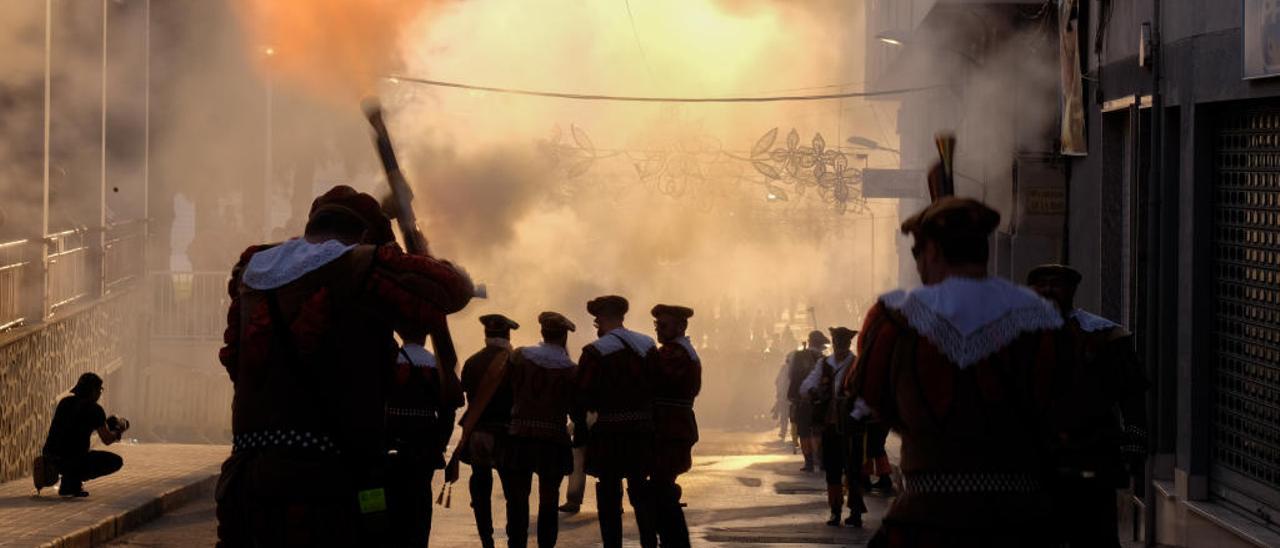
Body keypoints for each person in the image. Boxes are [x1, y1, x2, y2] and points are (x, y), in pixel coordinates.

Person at [215, 185, 474, 547]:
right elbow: (451, 289)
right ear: (366, 237)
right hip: (332, 484)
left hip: (247, 482)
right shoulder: (360, 264)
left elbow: (234, 360)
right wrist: (415, 243)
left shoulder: (254, 268)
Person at [846, 197, 1065, 547]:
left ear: (932, 252)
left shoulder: (895, 318)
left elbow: (869, 397)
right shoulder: (1040, 318)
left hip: (924, 522)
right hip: (1019, 522)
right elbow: (1060, 408)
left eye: (917, 254)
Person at [1027, 264, 1149, 548]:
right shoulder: (1012, 336)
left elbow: (1131, 393)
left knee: (1095, 533)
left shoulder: (1103, 335)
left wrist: (1135, 440)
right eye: (1041, 284)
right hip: (1034, 458)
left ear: (1071, 290)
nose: (1047, 290)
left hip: (1092, 454)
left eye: (1055, 283)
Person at [576, 295, 659, 548]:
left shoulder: (594, 352)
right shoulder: (647, 345)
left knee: (610, 496)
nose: (596, 325)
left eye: (597, 320)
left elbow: (583, 394)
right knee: (641, 492)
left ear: (603, 319)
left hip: (609, 433)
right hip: (643, 432)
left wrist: (580, 429)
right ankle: (649, 542)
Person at [503, 311, 580, 548]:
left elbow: (506, 392)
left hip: (520, 438)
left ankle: (516, 543)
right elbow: (576, 408)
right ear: (564, 337)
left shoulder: (519, 356)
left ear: (542, 332)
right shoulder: (571, 370)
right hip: (553, 441)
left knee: (517, 499)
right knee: (549, 500)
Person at [383, 341, 458, 546]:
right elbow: (449, 408)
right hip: (424, 452)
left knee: (389, 508)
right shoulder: (437, 366)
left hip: (388, 450)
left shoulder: (385, 363)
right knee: (420, 508)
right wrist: (439, 443)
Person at [460, 314, 520, 548]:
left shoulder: (472, 361)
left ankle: (486, 539)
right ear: (507, 334)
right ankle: (515, 539)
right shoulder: (515, 361)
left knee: (481, 489)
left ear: (486, 335)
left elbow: (467, 394)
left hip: (478, 434)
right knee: (513, 492)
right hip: (507, 434)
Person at [800, 327, 866, 527]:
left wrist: (854, 414)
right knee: (833, 470)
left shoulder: (857, 364)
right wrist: (813, 392)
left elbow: (864, 395)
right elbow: (806, 385)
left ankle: (855, 511)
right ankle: (835, 510)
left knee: (854, 469)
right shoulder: (824, 364)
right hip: (830, 426)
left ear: (848, 345)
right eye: (837, 344)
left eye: (842, 344)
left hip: (851, 426)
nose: (839, 348)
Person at [650, 304, 703, 548]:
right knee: (662, 487)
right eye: (657, 325)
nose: (658, 329)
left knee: (662, 489)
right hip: (671, 426)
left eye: (664, 325)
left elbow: (649, 376)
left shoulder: (676, 353)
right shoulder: (678, 351)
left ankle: (675, 542)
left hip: (672, 427)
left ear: (681, 327)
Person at [36, 372, 127, 497]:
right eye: (100, 390)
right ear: (94, 391)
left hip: (51, 457)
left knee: (73, 456)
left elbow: (75, 426)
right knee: (116, 461)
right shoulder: (95, 410)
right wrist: (118, 430)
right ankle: (73, 482)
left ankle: (69, 482)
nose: (100, 393)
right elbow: (106, 439)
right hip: (73, 461)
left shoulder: (64, 403)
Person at [786, 331, 828, 472]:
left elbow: (790, 375)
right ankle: (821, 460)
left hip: (801, 400)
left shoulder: (797, 356)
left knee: (804, 432)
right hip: (819, 401)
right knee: (818, 431)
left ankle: (809, 462)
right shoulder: (824, 359)